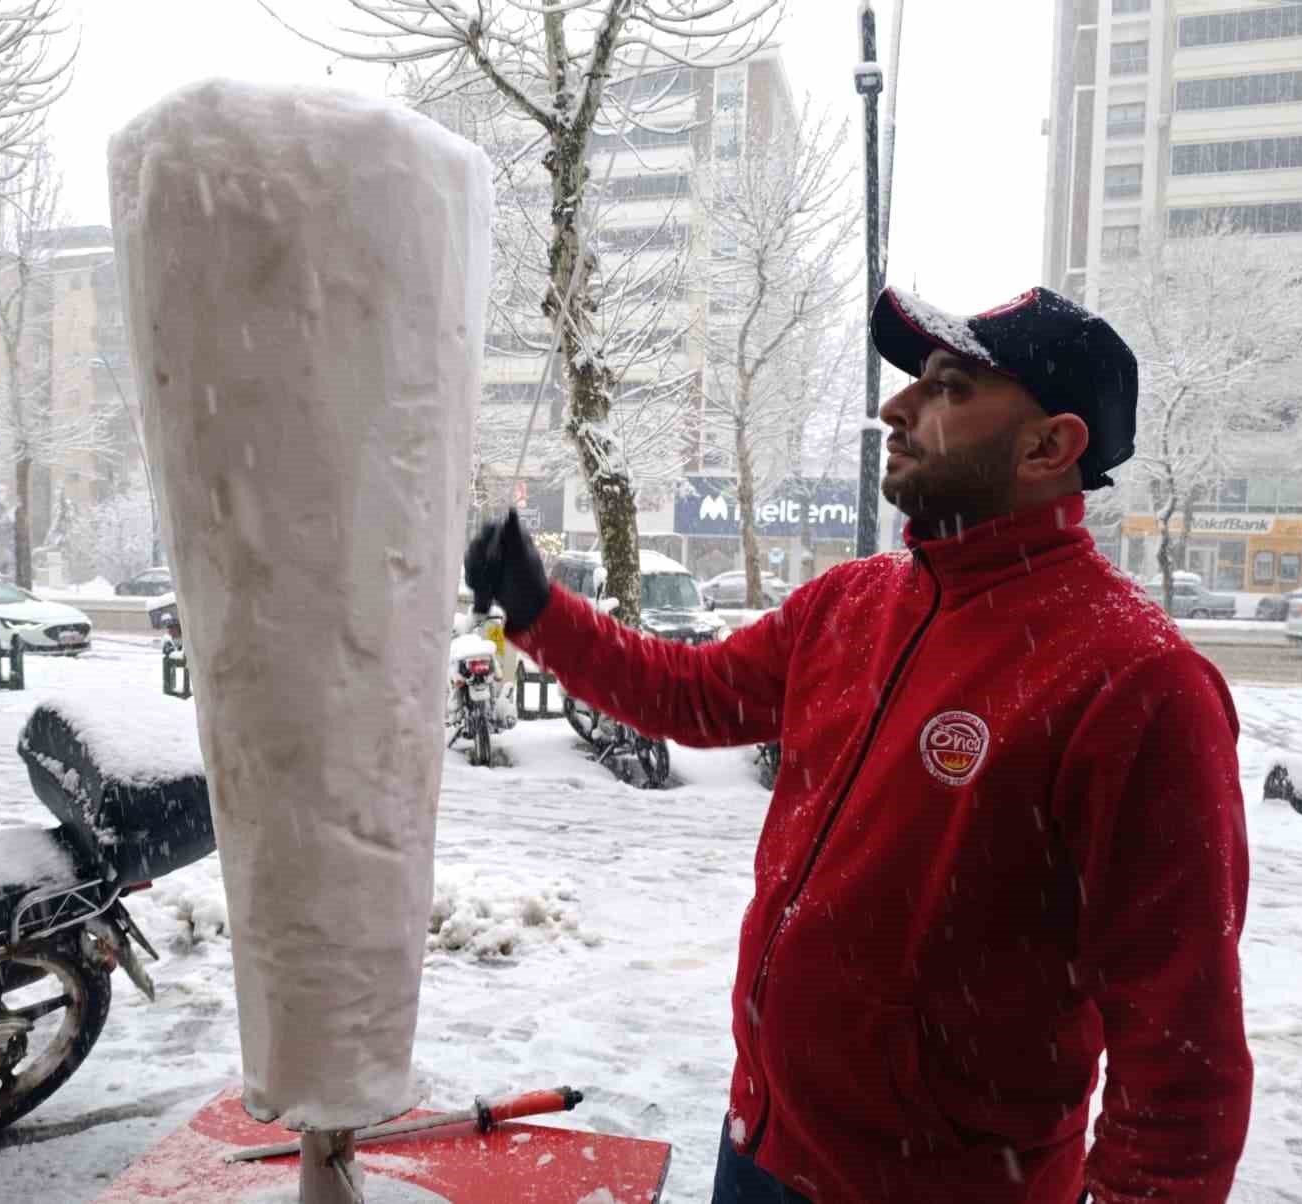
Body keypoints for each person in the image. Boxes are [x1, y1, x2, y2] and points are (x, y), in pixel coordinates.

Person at [464, 286, 1252, 1204]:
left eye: (949, 387)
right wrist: (537, 609)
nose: (897, 406)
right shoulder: (852, 602)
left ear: (1049, 447)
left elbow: (1181, 1049)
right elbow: (694, 696)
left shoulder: (1136, 680)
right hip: (761, 1142)